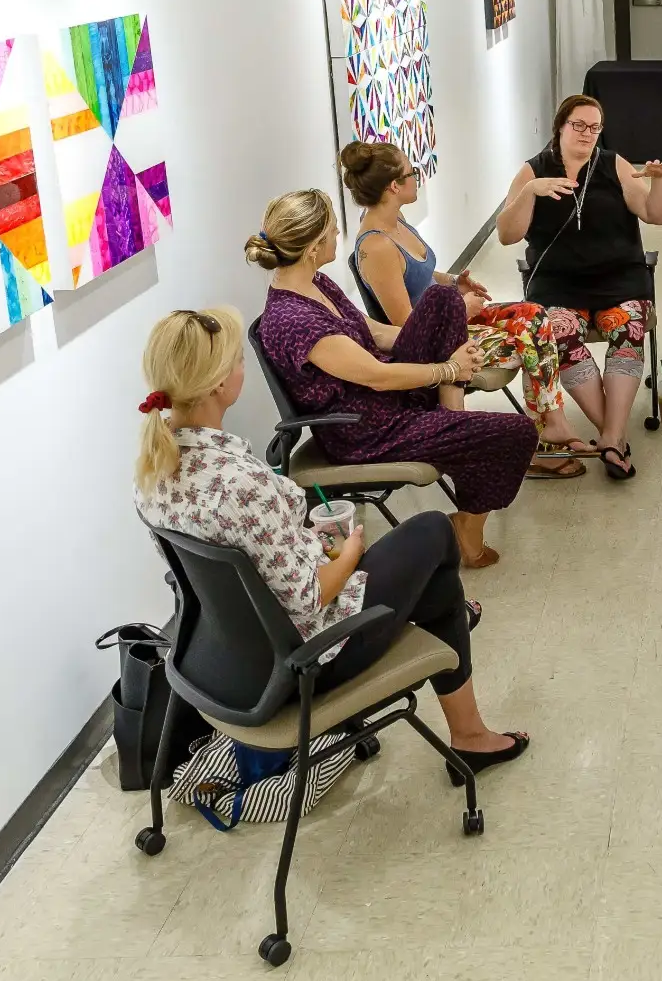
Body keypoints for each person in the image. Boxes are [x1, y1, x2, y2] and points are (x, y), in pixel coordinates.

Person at [132, 306, 528, 777]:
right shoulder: (242, 483)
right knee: (434, 533)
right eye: (238, 360)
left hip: (221, 660)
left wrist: (301, 543)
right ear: (219, 384)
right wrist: (353, 546)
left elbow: (246, 568)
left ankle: (463, 699)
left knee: (434, 575)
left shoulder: (150, 475)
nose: (244, 369)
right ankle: (470, 735)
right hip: (303, 663)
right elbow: (311, 597)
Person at [251, 189, 537, 569]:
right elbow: (379, 377)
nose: (340, 235)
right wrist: (449, 369)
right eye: (334, 231)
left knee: (443, 299)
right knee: (518, 433)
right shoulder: (294, 321)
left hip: (384, 401)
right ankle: (466, 524)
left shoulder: (316, 283)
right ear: (313, 246)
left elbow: (372, 332)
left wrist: (448, 350)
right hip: (367, 430)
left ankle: (452, 421)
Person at [342, 139, 591, 481]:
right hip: (436, 344)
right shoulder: (376, 246)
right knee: (527, 343)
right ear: (393, 186)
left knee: (534, 315)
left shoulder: (395, 221)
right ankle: (547, 432)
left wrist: (454, 281)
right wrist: (460, 308)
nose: (418, 177)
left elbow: (421, 273)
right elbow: (409, 326)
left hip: (451, 318)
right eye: (412, 173)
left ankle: (552, 423)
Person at [496, 94, 662, 482]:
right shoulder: (533, 171)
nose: (587, 134)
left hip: (620, 279)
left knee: (627, 330)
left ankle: (610, 436)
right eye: (579, 125)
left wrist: (658, 182)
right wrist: (530, 193)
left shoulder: (613, 164)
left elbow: (655, 215)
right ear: (560, 126)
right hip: (558, 286)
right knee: (560, 334)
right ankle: (614, 436)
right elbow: (508, 235)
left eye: (595, 127)